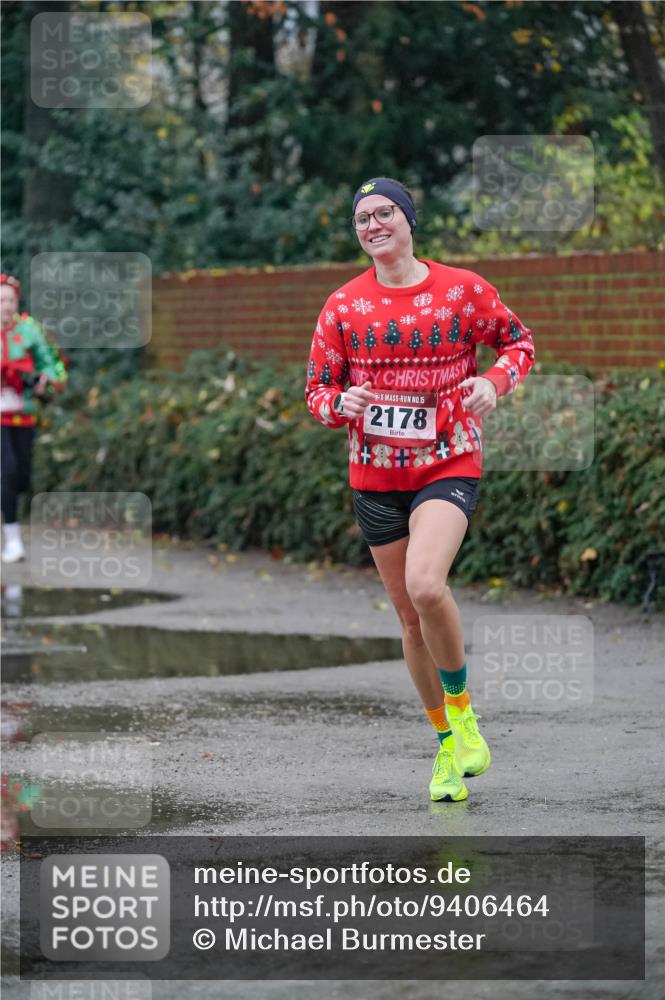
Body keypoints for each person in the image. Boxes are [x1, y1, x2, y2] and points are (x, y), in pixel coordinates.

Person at [305, 178, 535, 802]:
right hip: (375, 477)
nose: (373, 225)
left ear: (409, 221)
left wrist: (493, 382)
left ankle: (463, 714)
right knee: (409, 620)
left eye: (384, 214)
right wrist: (340, 402)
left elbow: (518, 343)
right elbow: (318, 393)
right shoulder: (343, 307)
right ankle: (445, 748)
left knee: (427, 585)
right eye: (362, 219)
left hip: (446, 462)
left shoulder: (462, 289)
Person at [1, 273, 67, 563]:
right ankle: (13, 541)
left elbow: (51, 364)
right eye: (0, 300)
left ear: (17, 302)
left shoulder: (30, 331)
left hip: (24, 414)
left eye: (9, 300)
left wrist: (44, 381)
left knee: (22, 477)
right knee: (7, 471)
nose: (5, 306)